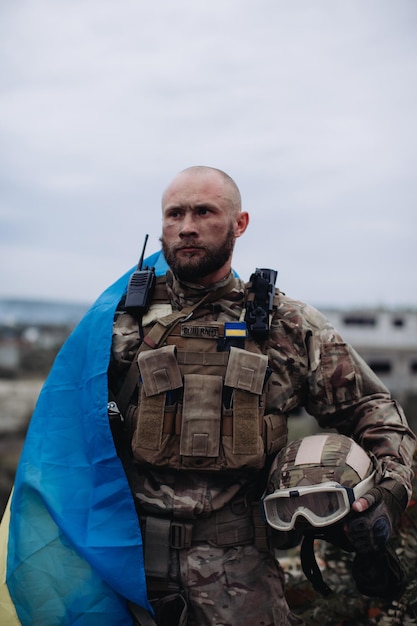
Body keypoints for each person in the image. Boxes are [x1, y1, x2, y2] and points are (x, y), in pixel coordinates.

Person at [108, 165, 416, 626]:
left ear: (239, 223)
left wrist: (390, 490)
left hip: (238, 576)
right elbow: (65, 425)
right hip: (123, 564)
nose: (187, 226)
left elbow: (373, 410)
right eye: (174, 214)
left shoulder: (286, 324)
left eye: (204, 211)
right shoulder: (119, 321)